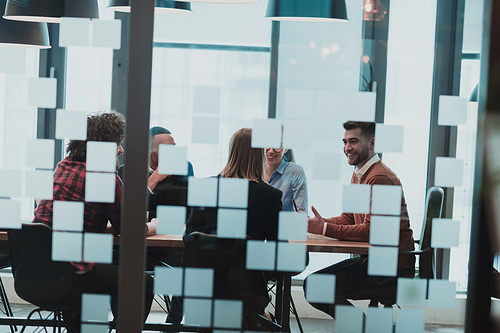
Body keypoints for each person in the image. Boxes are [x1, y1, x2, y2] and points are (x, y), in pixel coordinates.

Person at [33, 112, 155, 332]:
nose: (121, 150)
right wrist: (153, 226)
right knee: (143, 282)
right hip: (71, 275)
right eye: (118, 143)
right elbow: (130, 230)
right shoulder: (105, 177)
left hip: (35, 273)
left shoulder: (62, 167)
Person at [304, 121, 415, 318]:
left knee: (315, 285)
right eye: (345, 142)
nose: (347, 148)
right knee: (315, 284)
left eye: (353, 141)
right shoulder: (359, 174)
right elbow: (349, 217)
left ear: (372, 144)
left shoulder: (380, 178)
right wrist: (317, 224)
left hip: (391, 266)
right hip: (374, 260)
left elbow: (371, 232)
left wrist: (324, 228)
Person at [184, 128, 282, 325]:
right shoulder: (269, 195)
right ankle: (258, 319)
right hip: (246, 286)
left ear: (232, 152)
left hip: (203, 284)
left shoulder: (205, 187)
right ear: (259, 154)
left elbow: (189, 238)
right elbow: (277, 247)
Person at [265, 145, 308, 213]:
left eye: (277, 146)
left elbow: (301, 213)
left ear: (286, 148)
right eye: (268, 144)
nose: (270, 151)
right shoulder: (252, 170)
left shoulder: (295, 172)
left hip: (284, 222)